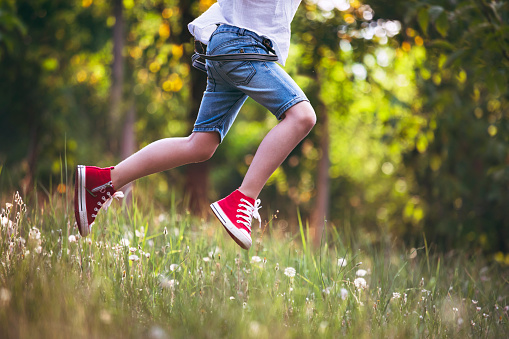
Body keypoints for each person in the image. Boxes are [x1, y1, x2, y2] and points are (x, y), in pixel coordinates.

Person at [74, 0, 316, 250]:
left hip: (231, 44)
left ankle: (101, 181)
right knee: (302, 116)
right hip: (242, 45)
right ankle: (243, 199)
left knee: (201, 145)